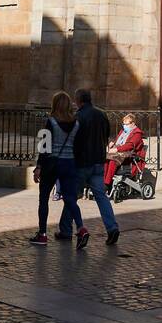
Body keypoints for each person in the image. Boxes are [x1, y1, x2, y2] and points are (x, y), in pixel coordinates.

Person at [56, 89, 120, 246]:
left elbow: (73, 141)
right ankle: (112, 228)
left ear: (79, 101)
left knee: (71, 197)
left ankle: (66, 230)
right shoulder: (102, 114)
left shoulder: (78, 117)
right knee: (101, 196)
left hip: (82, 164)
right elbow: (106, 136)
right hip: (98, 161)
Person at [30, 91, 88, 249]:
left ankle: (42, 234)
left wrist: (39, 167)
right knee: (70, 199)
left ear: (55, 104)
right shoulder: (76, 123)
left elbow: (45, 146)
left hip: (52, 164)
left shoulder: (51, 122)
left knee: (44, 198)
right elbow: (79, 147)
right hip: (70, 164)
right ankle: (81, 229)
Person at [103, 113, 145, 189]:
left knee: (112, 160)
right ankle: (103, 181)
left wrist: (116, 149)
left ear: (133, 123)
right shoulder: (123, 131)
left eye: (127, 124)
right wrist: (112, 143)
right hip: (120, 153)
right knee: (105, 159)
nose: (124, 126)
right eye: (123, 124)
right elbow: (118, 140)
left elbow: (130, 146)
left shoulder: (137, 134)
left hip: (129, 155)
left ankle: (107, 184)